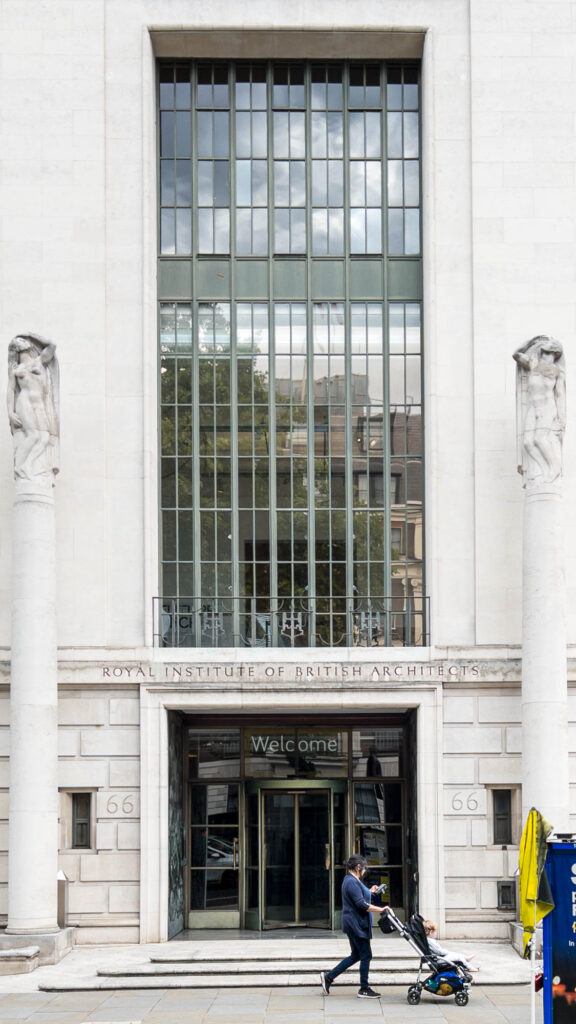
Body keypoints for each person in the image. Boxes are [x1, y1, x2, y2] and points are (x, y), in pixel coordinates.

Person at [320, 854, 389, 1000]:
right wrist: (381, 909)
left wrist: (370, 891)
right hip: (356, 924)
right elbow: (361, 904)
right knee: (366, 955)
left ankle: (329, 977)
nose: (365, 870)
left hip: (355, 923)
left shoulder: (353, 880)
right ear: (358, 867)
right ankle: (364, 988)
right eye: (364, 868)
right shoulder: (351, 882)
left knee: (356, 955)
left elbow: (359, 896)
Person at [513, 336, 565, 486]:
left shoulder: (557, 372)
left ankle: (555, 467)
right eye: (543, 352)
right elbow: (516, 355)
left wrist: (561, 418)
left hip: (547, 407)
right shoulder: (533, 364)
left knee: (540, 439)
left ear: (555, 355)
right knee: (527, 443)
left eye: (549, 353)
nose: (545, 356)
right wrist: (532, 342)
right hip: (532, 407)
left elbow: (559, 395)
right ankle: (545, 469)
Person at [7, 332, 59, 481]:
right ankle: (19, 467)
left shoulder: (39, 361)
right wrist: (10, 412)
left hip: (40, 404)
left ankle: (27, 465)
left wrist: (29, 335)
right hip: (25, 402)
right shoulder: (16, 369)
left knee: (44, 437)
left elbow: (52, 345)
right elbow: (11, 390)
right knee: (34, 435)